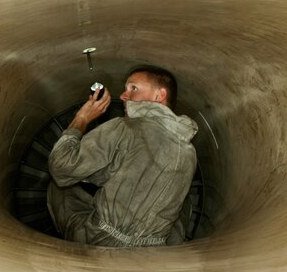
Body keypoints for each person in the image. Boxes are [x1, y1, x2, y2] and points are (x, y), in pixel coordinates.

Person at [47, 65, 198, 247]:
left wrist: (82, 119)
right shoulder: (190, 152)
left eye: (133, 88)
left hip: (101, 240)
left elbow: (61, 168)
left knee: (57, 187)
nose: (123, 96)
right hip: (157, 250)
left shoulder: (124, 127)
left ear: (159, 96)